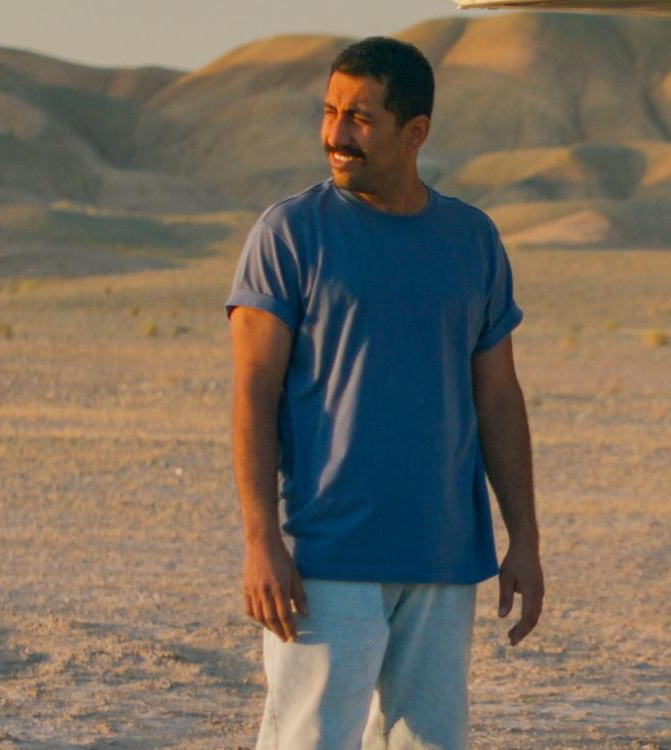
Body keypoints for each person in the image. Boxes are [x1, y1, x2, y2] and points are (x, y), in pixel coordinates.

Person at [225, 36, 543, 750]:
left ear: (415, 131)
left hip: (443, 555)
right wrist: (260, 540)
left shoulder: (471, 239)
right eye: (330, 111)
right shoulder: (289, 234)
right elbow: (252, 393)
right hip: (326, 556)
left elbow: (498, 397)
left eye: (361, 118)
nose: (336, 134)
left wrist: (523, 536)